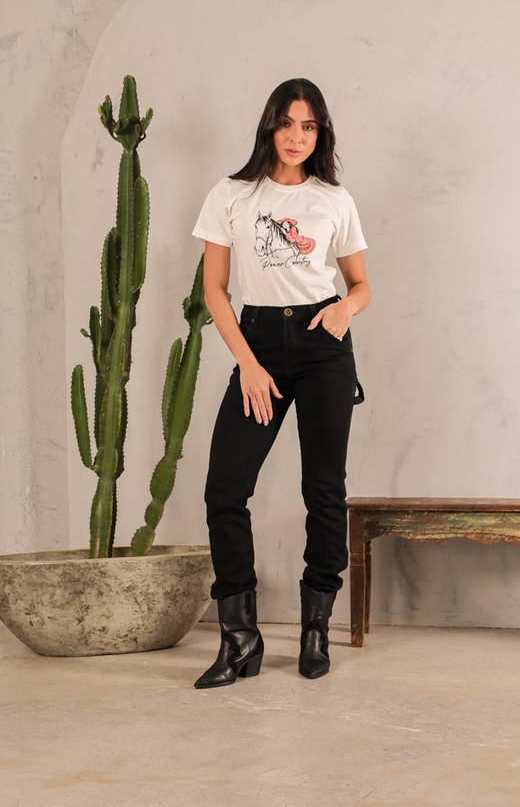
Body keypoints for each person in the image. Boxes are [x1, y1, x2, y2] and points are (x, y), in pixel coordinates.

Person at [192, 77, 370, 688]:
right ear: (270, 126)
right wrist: (247, 362)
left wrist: (347, 309)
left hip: (324, 347)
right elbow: (215, 289)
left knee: (323, 490)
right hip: (259, 342)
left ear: (320, 133)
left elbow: (360, 285)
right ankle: (239, 638)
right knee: (224, 489)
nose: (297, 137)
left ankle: (316, 628)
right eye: (288, 123)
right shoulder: (231, 194)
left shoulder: (333, 199)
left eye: (309, 126)